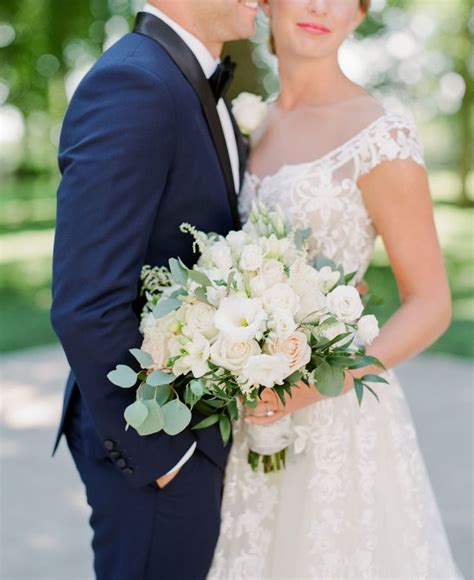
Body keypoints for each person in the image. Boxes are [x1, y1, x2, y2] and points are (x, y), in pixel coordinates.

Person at [209, 0, 463, 578]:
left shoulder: (381, 135)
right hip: (248, 415)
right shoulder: (249, 122)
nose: (321, 6)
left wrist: (312, 389)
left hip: (336, 420)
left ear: (359, 14)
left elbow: (430, 303)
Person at [50, 1, 258, 578]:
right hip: (155, 440)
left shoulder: (187, 80)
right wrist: (165, 456)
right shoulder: (134, 82)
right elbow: (85, 303)